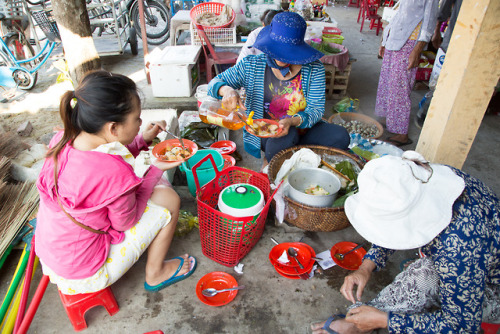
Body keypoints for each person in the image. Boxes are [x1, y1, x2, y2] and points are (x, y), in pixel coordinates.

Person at [34, 71, 197, 295]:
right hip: (86, 273)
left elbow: (102, 157)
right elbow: (125, 223)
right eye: (137, 119)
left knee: (155, 188)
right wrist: (155, 169)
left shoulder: (63, 140)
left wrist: (143, 140)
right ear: (113, 128)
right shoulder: (114, 172)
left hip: (52, 258)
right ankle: (156, 273)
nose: (140, 123)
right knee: (168, 197)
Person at [311, 151, 500, 333]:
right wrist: (366, 266)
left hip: (492, 287)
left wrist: (386, 320)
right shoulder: (429, 178)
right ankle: (363, 319)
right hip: (477, 261)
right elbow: (394, 223)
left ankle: (361, 324)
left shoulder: (457, 247)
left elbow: (463, 327)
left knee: (423, 276)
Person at [208, 12, 350, 166]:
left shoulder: (314, 69)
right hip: (268, 134)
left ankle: (294, 156)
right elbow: (214, 83)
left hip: (304, 130)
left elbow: (316, 110)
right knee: (284, 141)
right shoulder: (251, 65)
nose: (282, 58)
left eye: (288, 52)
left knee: (341, 136)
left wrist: (292, 121)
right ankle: (281, 157)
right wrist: (227, 90)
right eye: (278, 51)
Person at [375, 0, 438, 146]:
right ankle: (389, 119)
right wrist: (385, 41)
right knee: (387, 81)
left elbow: (429, 21)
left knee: (400, 87)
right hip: (395, 39)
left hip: (409, 42)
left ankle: (401, 134)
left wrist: (417, 50)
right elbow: (400, 14)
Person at [415, 0, 463, 128]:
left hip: (473, 52)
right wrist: (437, 30)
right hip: (452, 42)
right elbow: (445, 6)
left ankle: (446, 120)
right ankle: (425, 114)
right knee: (438, 82)